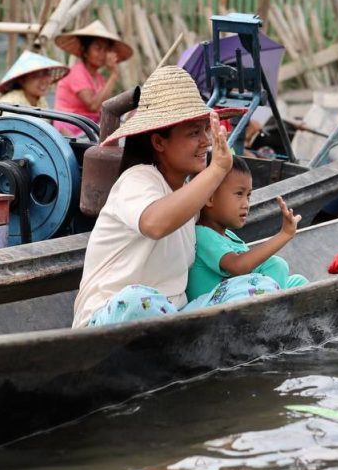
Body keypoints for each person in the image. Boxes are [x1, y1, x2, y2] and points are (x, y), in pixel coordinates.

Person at [72, 65, 281, 329]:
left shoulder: (188, 194)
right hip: (111, 318)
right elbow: (155, 224)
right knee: (140, 300)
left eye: (206, 130)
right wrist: (217, 169)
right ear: (159, 142)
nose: (206, 141)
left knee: (259, 287)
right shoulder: (137, 179)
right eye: (194, 133)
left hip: (174, 321)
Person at [187, 156, 309, 301]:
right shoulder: (202, 234)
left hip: (237, 296)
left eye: (248, 195)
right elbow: (238, 266)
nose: (246, 204)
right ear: (209, 198)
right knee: (276, 265)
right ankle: (272, 311)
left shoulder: (229, 236)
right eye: (239, 194)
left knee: (299, 282)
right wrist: (285, 234)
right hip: (212, 305)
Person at [53, 20, 132, 137]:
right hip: (71, 126)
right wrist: (113, 75)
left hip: (88, 125)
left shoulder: (99, 77)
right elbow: (93, 106)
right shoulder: (77, 72)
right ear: (85, 51)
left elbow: (101, 107)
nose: (102, 54)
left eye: (105, 50)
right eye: (97, 48)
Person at [0, 50, 69, 119]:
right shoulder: (11, 102)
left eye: (46, 74)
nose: (44, 81)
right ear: (22, 81)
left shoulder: (41, 101)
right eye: (36, 76)